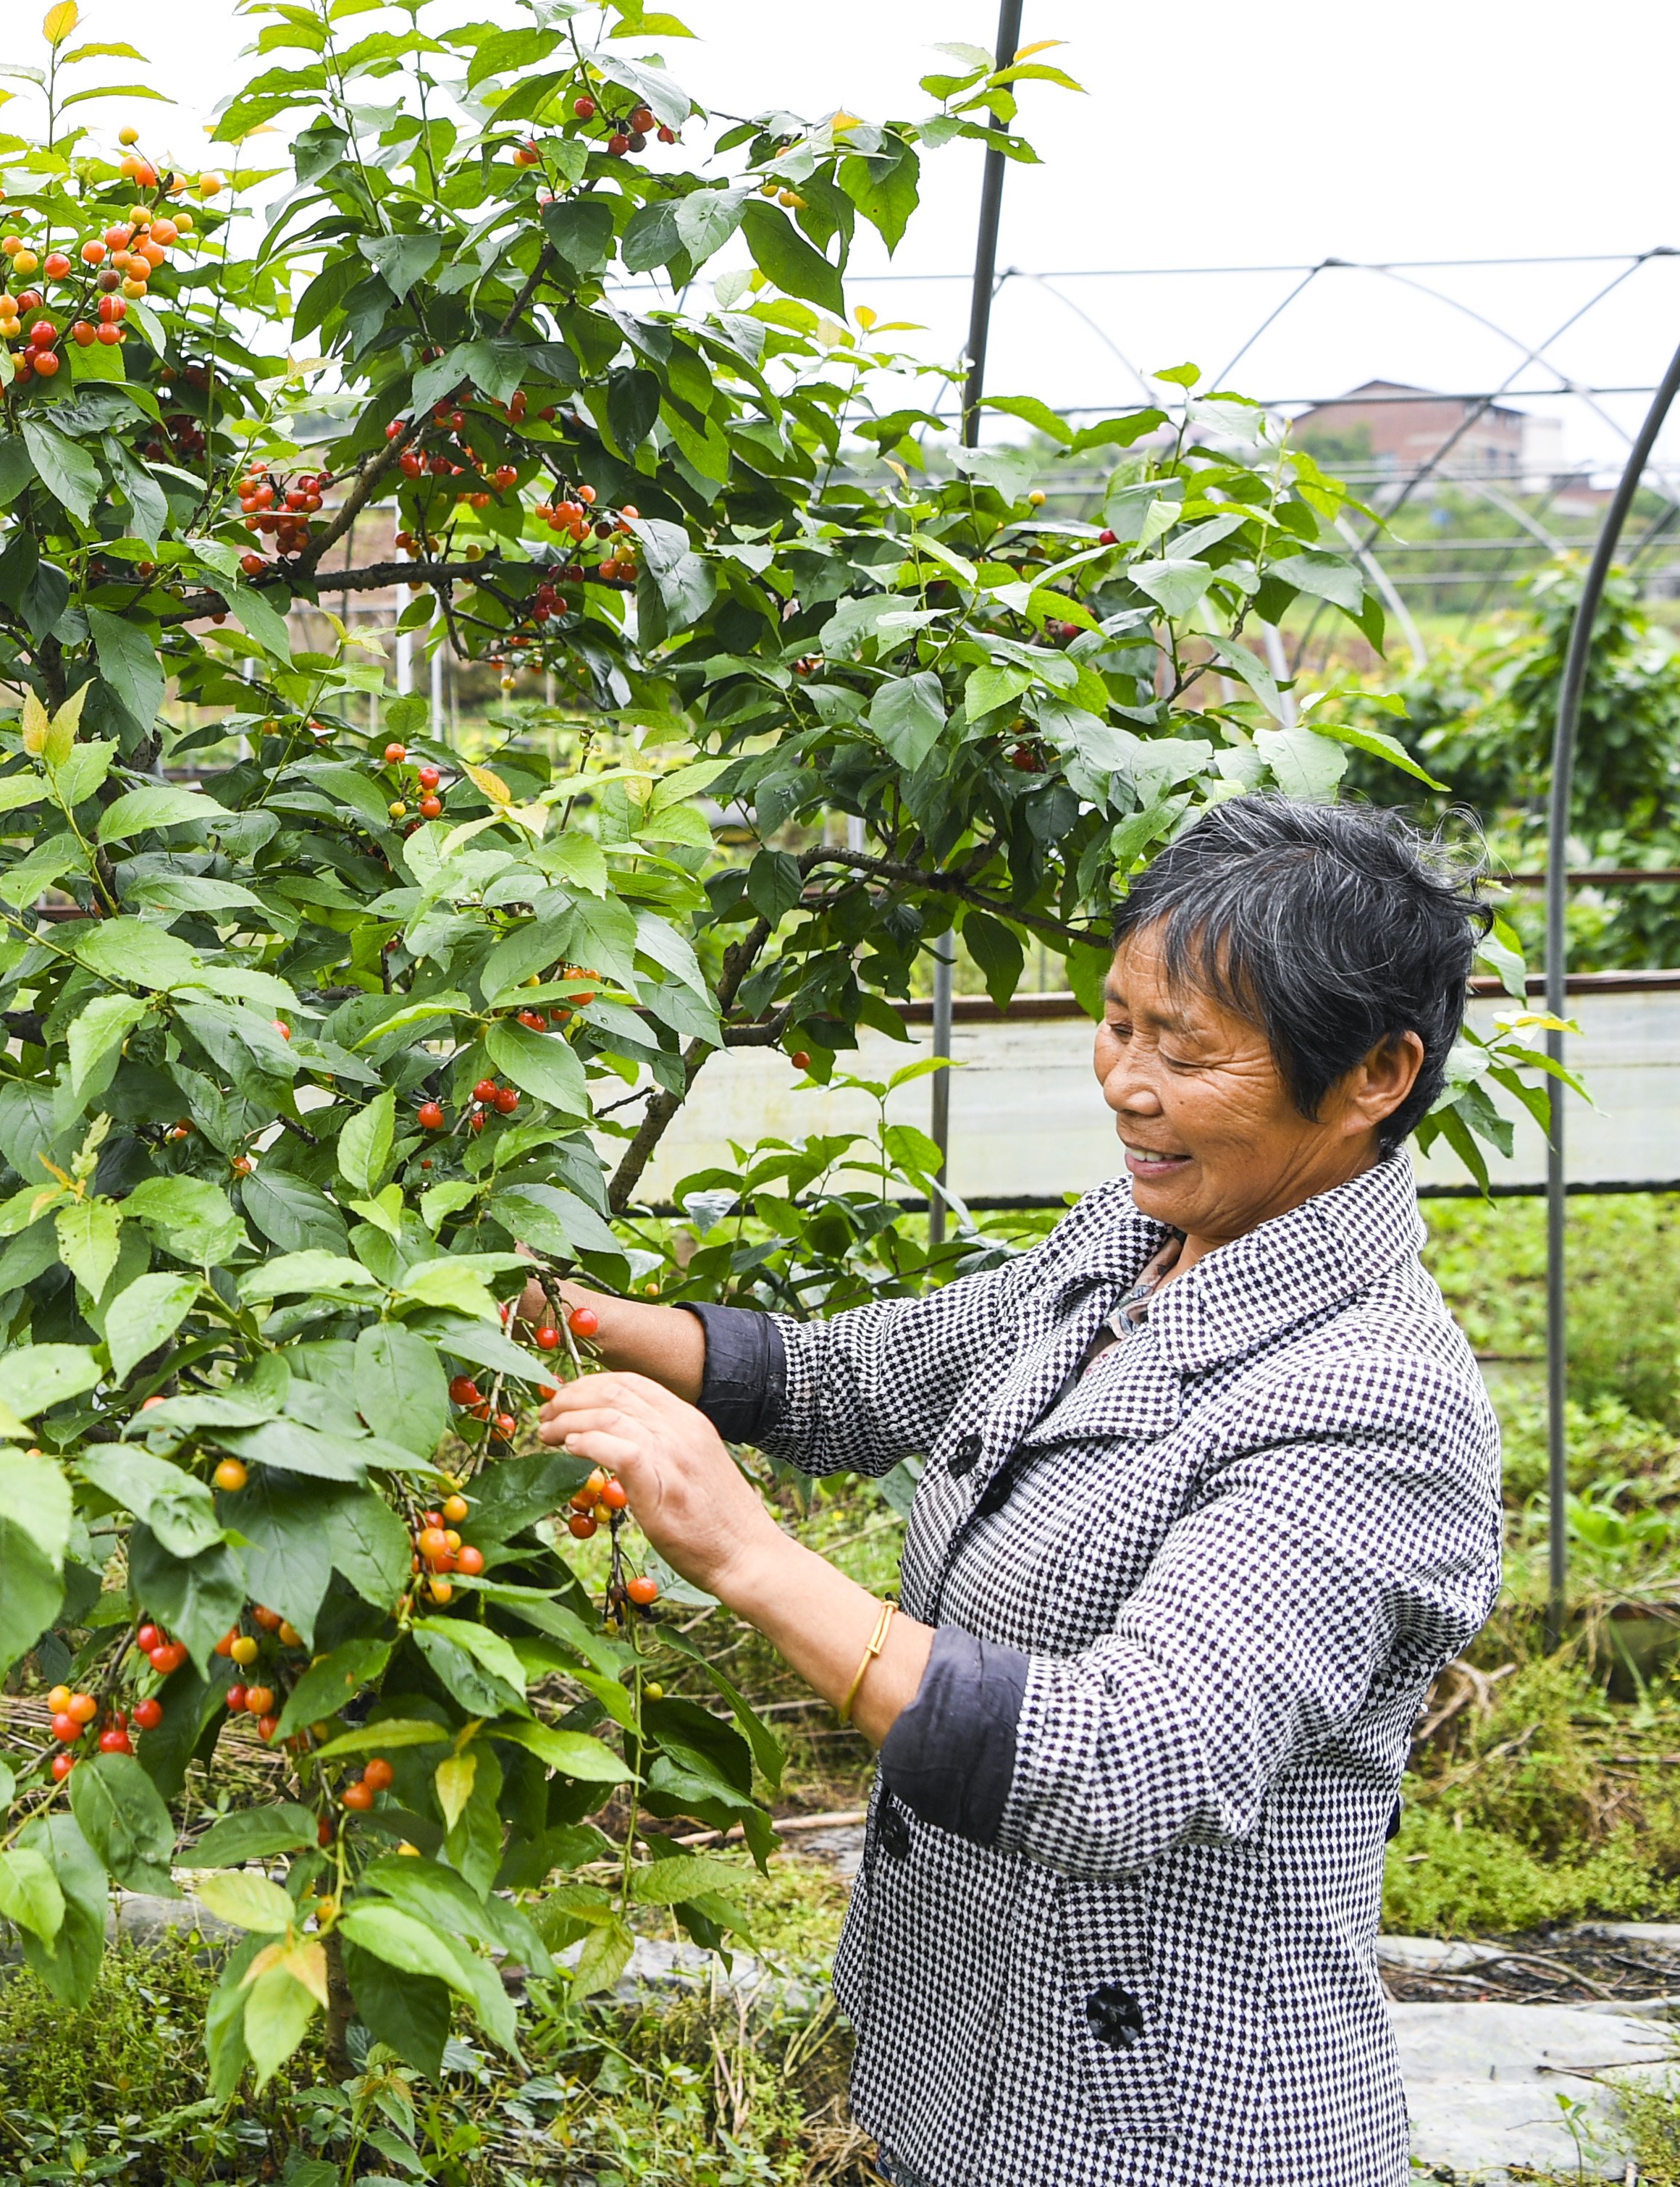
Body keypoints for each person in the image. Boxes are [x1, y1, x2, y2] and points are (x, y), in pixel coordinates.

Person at [534, 797, 1503, 2187]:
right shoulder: (1142, 1229)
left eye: (1185, 1047)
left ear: (1371, 1075)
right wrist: (612, 1322)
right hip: (965, 2041)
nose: (1124, 1079)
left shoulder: (1370, 1402)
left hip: (1159, 2123)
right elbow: (863, 1376)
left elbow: (1122, 1763)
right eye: (1116, 1022)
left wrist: (747, 1555)